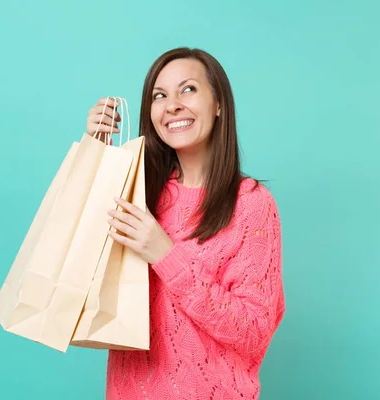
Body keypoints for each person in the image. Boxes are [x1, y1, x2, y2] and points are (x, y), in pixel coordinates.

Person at [85, 47, 285, 400]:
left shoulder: (252, 205)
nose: (172, 104)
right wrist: (96, 153)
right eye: (159, 96)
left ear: (219, 103)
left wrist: (165, 253)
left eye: (188, 89)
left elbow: (253, 332)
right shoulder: (138, 192)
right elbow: (88, 274)